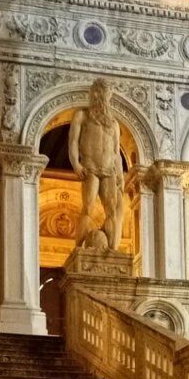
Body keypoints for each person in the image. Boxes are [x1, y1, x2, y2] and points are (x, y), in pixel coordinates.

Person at [68, 78, 125, 251]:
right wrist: (76, 164)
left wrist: (120, 175)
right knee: (88, 207)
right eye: (98, 92)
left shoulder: (114, 123)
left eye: (106, 93)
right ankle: (79, 249)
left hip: (109, 170)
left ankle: (113, 250)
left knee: (112, 211)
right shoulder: (82, 115)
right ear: (93, 94)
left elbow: (116, 153)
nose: (101, 97)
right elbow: (73, 142)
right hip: (90, 168)